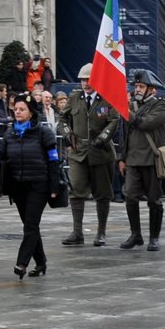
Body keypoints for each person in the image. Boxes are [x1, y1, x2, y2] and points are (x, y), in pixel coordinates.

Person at [0, 94, 60, 278]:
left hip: (39, 185)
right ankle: (41, 262)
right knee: (30, 226)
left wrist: (54, 186)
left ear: (31, 112)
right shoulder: (10, 133)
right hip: (18, 186)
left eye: (22, 109)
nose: (18, 112)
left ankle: (22, 263)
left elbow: (54, 161)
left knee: (30, 225)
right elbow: (2, 161)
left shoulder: (43, 133)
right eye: (16, 109)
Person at [59, 63, 119, 247]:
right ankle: (77, 232)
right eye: (83, 79)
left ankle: (101, 232)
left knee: (102, 193)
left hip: (100, 152)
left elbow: (114, 120)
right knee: (76, 190)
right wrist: (68, 134)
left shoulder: (107, 98)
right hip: (78, 152)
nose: (85, 83)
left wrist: (103, 138)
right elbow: (63, 118)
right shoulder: (74, 97)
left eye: (89, 79)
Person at [120, 70, 165, 250]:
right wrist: (122, 157)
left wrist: (127, 111)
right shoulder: (131, 104)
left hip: (151, 158)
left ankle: (154, 237)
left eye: (141, 86)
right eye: (136, 86)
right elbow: (126, 134)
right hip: (133, 158)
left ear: (152, 89)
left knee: (154, 200)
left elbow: (145, 123)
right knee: (130, 196)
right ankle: (136, 234)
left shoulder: (159, 105)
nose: (137, 89)